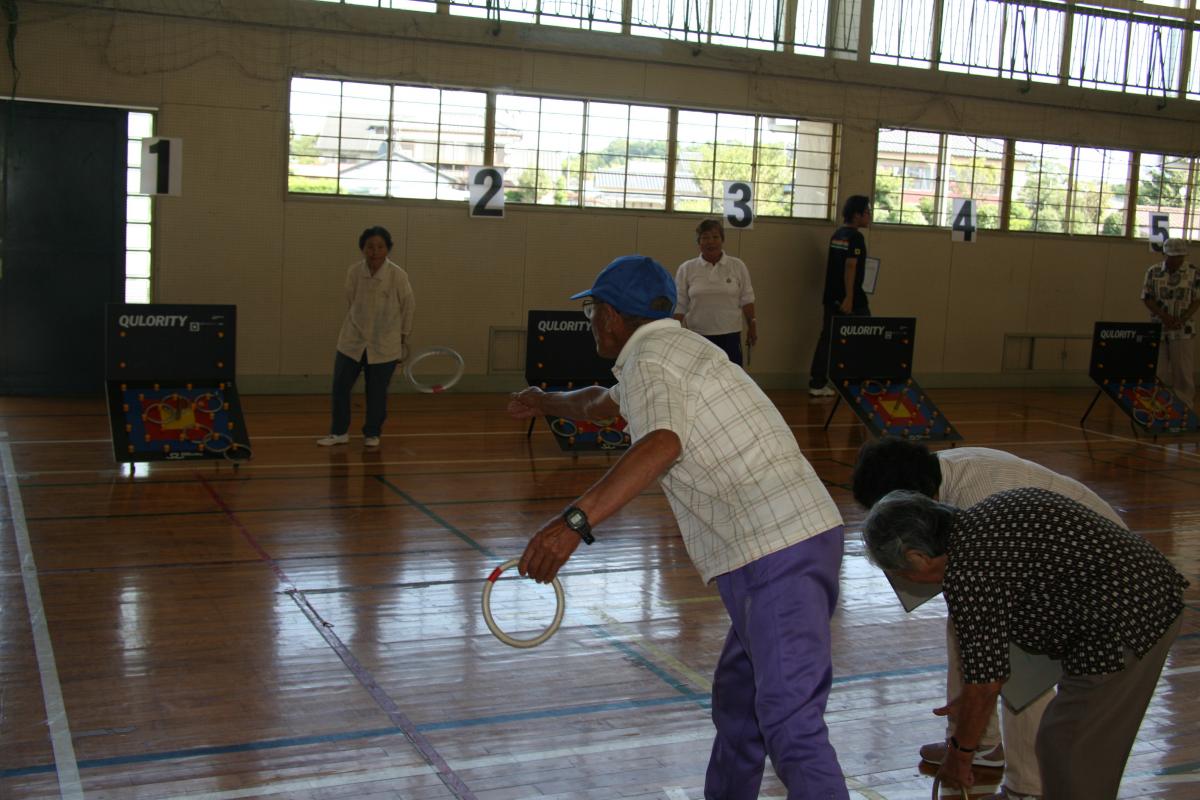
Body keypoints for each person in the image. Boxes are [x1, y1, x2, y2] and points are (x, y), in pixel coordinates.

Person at [507, 254, 849, 799]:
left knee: (791, 727)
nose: (590, 320)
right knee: (741, 705)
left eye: (592, 309)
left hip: (776, 551)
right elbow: (601, 404)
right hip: (778, 547)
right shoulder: (676, 348)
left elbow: (662, 443)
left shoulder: (652, 359)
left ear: (614, 316)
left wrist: (572, 524)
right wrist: (544, 399)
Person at [862, 487, 1186, 800]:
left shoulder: (968, 572)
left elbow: (988, 682)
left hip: (1126, 622)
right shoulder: (990, 512)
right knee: (1068, 742)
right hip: (1145, 593)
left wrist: (960, 757)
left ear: (917, 557)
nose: (906, 581)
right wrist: (973, 699)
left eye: (900, 572)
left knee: (1071, 747)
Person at [317, 225, 415, 448]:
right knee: (340, 386)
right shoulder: (354, 272)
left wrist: (402, 335)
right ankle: (339, 432)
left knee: (377, 392)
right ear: (363, 248)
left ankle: (372, 433)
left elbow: (409, 306)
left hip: (385, 343)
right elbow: (351, 300)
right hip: (352, 340)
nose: (375, 251)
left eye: (380, 247)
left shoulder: (397, 275)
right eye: (370, 246)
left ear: (388, 249)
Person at [808, 195, 872, 397]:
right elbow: (851, 266)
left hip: (830, 297)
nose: (869, 216)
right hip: (850, 299)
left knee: (827, 338)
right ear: (857, 215)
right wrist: (850, 297)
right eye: (867, 212)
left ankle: (817, 382)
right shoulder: (856, 238)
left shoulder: (838, 234)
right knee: (866, 336)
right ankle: (859, 381)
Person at [673, 219, 757, 366]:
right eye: (705, 237)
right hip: (698, 335)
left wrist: (752, 326)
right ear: (699, 242)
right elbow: (680, 304)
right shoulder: (687, 268)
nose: (710, 242)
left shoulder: (737, 265)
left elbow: (747, 299)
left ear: (722, 240)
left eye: (715, 237)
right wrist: (672, 331)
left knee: (731, 379)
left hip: (730, 334)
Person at [1142, 237, 1199, 407]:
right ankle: (1154, 407)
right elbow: (1147, 297)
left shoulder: (1194, 272)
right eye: (1172, 256)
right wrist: (1163, 316)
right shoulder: (1153, 272)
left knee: (1182, 372)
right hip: (1158, 328)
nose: (1176, 260)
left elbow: (1197, 300)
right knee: (1156, 371)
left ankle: (1184, 409)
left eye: (1180, 256)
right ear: (1164, 254)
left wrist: (1182, 318)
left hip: (1184, 330)